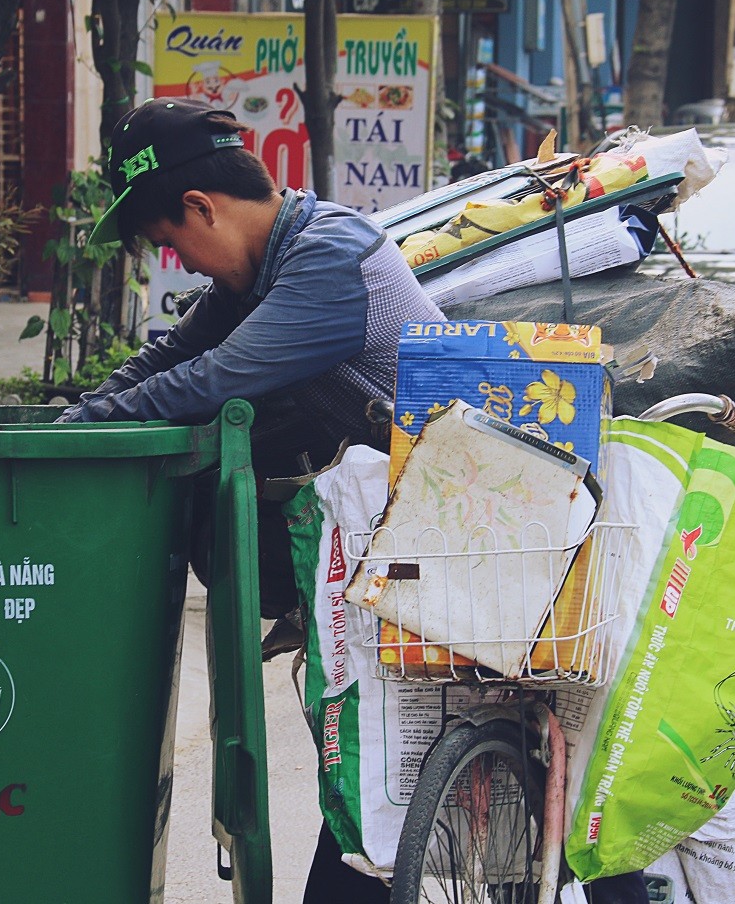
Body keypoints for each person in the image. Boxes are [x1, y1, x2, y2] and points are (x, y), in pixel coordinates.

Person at [57, 97, 441, 902]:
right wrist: (70, 424)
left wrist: (83, 429)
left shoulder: (330, 259)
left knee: (379, 773)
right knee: (370, 771)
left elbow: (211, 381)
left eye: (173, 243)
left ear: (202, 206)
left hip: (442, 546)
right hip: (379, 555)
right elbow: (170, 355)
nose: (184, 264)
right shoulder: (264, 264)